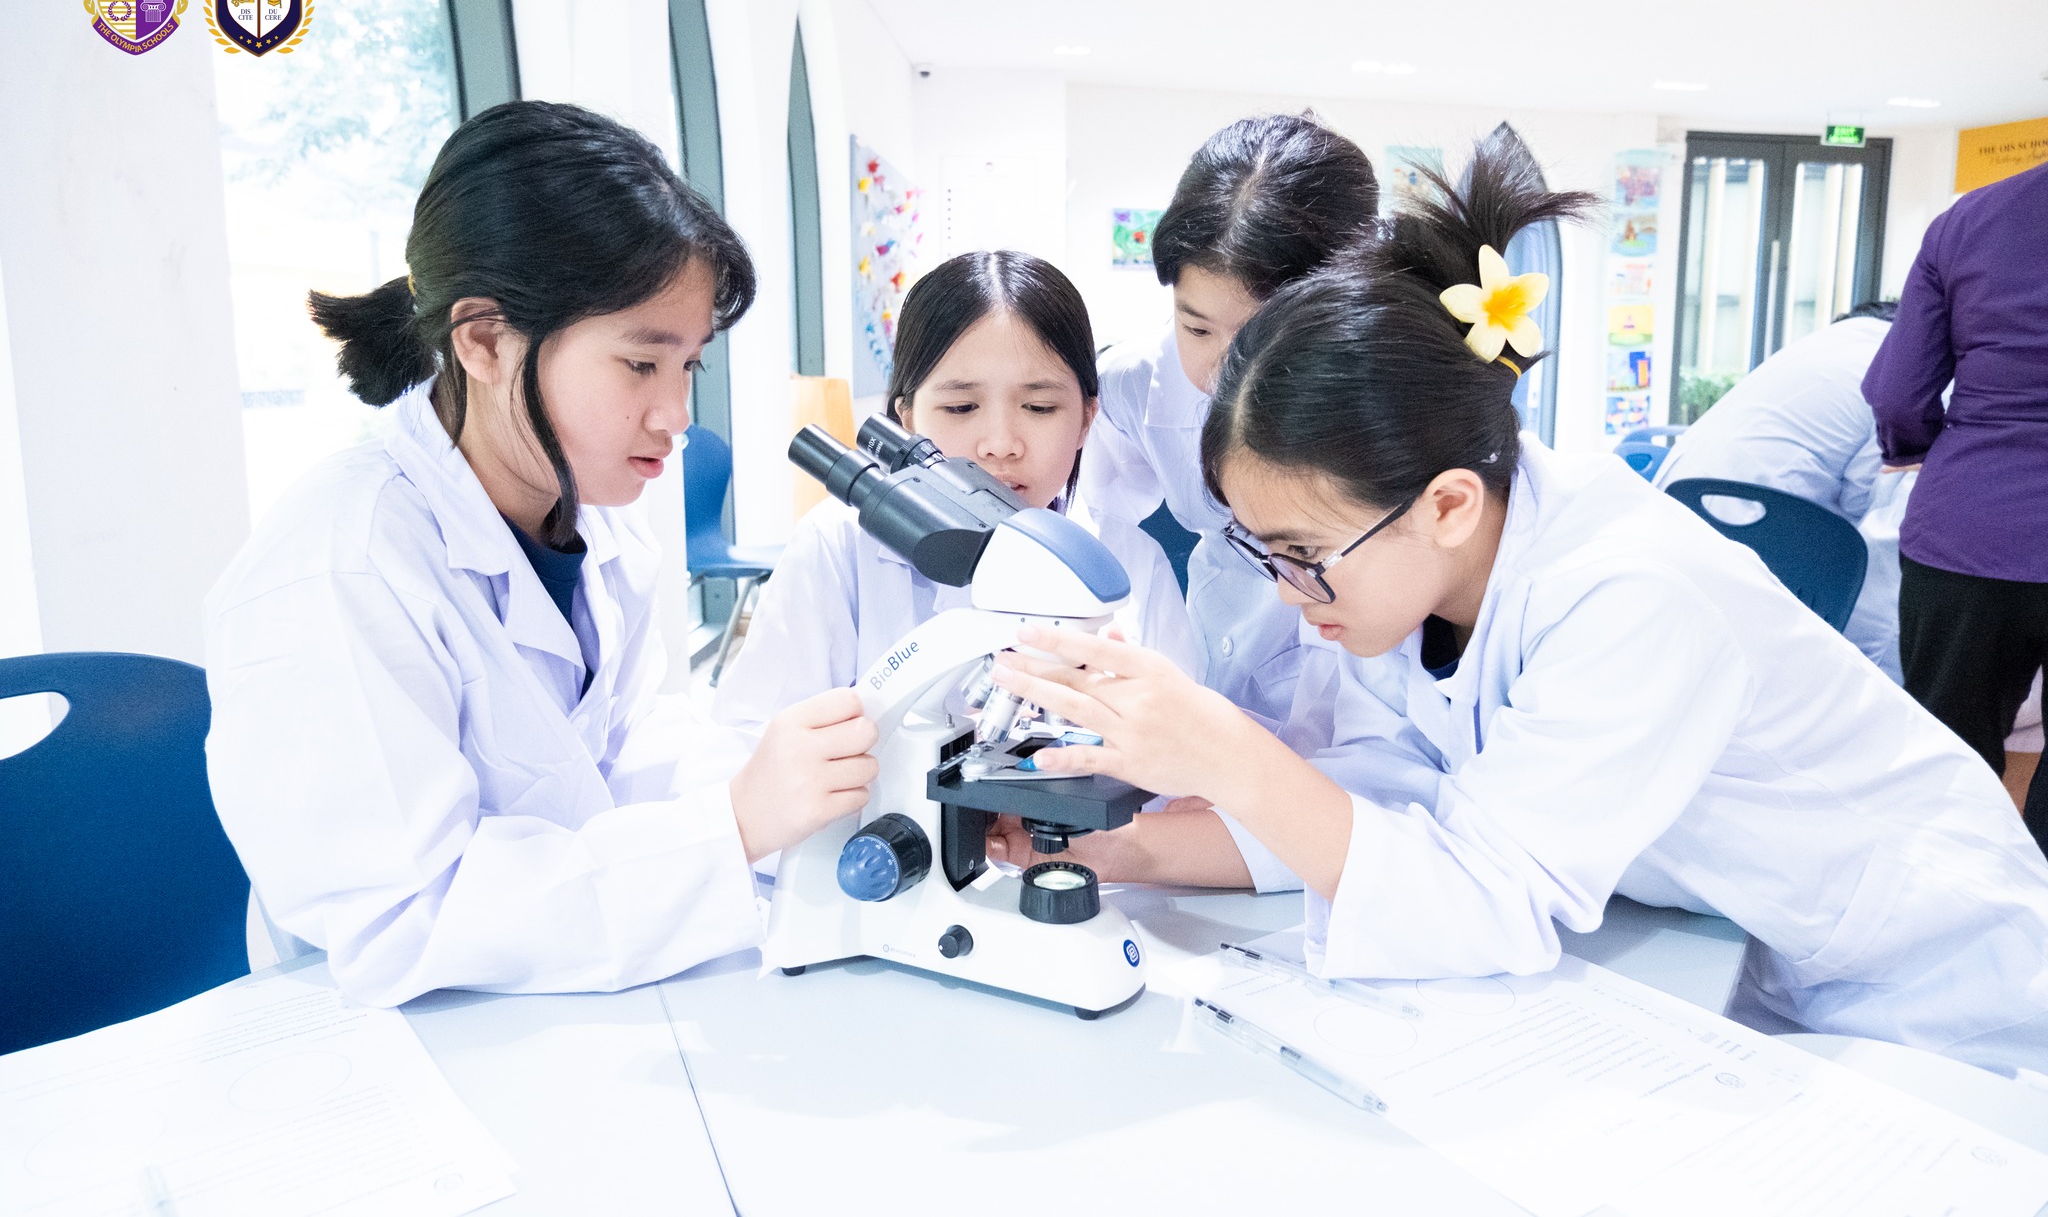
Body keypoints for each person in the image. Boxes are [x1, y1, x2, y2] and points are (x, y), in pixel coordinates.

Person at [987, 127, 2048, 1076]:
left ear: (1446, 503)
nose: (1287, 590)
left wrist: (1222, 751)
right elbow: (1377, 807)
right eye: (1265, 551)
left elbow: (1483, 896)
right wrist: (1125, 851)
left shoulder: (1632, 594)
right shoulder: (1414, 575)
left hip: (1937, 999)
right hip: (1753, 957)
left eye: (1303, 554)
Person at [204, 101, 879, 1006]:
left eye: (689, 366)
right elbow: (406, 921)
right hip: (401, 1034)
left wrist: (797, 789)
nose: (677, 416)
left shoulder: (598, 521)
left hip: (561, 1003)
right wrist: (733, 822)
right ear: (483, 340)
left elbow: (618, 757)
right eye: (641, 364)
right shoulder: (341, 565)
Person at [716, 249, 1199, 732]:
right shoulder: (838, 547)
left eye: (1038, 407)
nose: (1000, 445)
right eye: (962, 408)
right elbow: (751, 739)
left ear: (1085, 421)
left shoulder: (1132, 563)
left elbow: (1184, 748)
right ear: (907, 421)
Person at [1077, 114, 1377, 888]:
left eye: (1255, 335)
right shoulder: (1138, 387)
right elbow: (1108, 535)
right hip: (1225, 637)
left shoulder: (1381, 421)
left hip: (1350, 663)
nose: (1220, 369)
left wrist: (1268, 777)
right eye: (1196, 326)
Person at [1864, 159, 2048, 855]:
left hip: (1968, 532)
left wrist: (1926, 451)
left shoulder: (1970, 219)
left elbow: (1898, 394)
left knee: (1945, 767)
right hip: (1974, 530)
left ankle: (1940, 906)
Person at [1655, 300, 1902, 677]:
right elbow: (1867, 503)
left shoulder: (1818, 349)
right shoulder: (1897, 370)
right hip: (1758, 551)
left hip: (1672, 523)